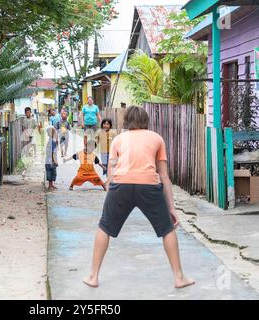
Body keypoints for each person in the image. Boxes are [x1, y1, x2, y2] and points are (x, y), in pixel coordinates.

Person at [83, 106, 195, 289]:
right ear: (146, 120)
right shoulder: (156, 138)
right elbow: (164, 176)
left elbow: (111, 171)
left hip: (121, 185)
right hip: (149, 186)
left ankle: (93, 276)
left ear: (126, 121)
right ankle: (179, 277)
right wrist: (172, 208)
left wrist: (111, 192)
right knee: (167, 229)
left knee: (104, 226)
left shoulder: (118, 139)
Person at [45, 126, 59, 191]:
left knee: (53, 172)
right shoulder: (51, 140)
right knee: (50, 173)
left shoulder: (53, 139)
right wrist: (54, 161)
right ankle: (50, 185)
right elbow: (52, 152)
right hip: (50, 160)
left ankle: (51, 184)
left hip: (52, 159)